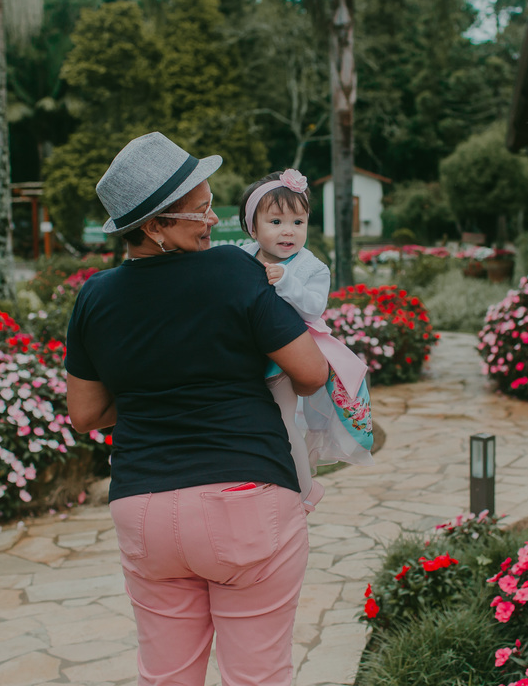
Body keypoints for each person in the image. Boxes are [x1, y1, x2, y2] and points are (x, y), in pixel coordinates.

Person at [65, 132, 329, 686]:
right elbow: (310, 373)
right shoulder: (234, 273)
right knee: (255, 677)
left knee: (166, 678)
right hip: (245, 498)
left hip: (144, 511)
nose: (212, 221)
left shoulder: (95, 296)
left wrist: (153, 392)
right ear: (154, 225)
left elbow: (87, 414)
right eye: (199, 211)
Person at [238, 170, 373, 510]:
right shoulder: (242, 256)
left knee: (284, 424)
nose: (289, 231)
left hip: (285, 359)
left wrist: (286, 282)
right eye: (276, 221)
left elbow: (314, 308)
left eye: (298, 222)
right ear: (252, 227)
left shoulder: (310, 267)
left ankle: (305, 488)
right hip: (246, 356)